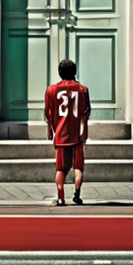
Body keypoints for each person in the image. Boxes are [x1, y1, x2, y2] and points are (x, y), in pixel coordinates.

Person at [43, 59, 90, 206]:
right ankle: (77, 194)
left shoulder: (51, 90)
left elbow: (48, 113)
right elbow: (86, 111)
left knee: (61, 169)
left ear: (60, 72)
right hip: (77, 134)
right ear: (74, 71)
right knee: (78, 167)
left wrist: (51, 131)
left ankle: (61, 197)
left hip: (61, 135)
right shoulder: (82, 89)